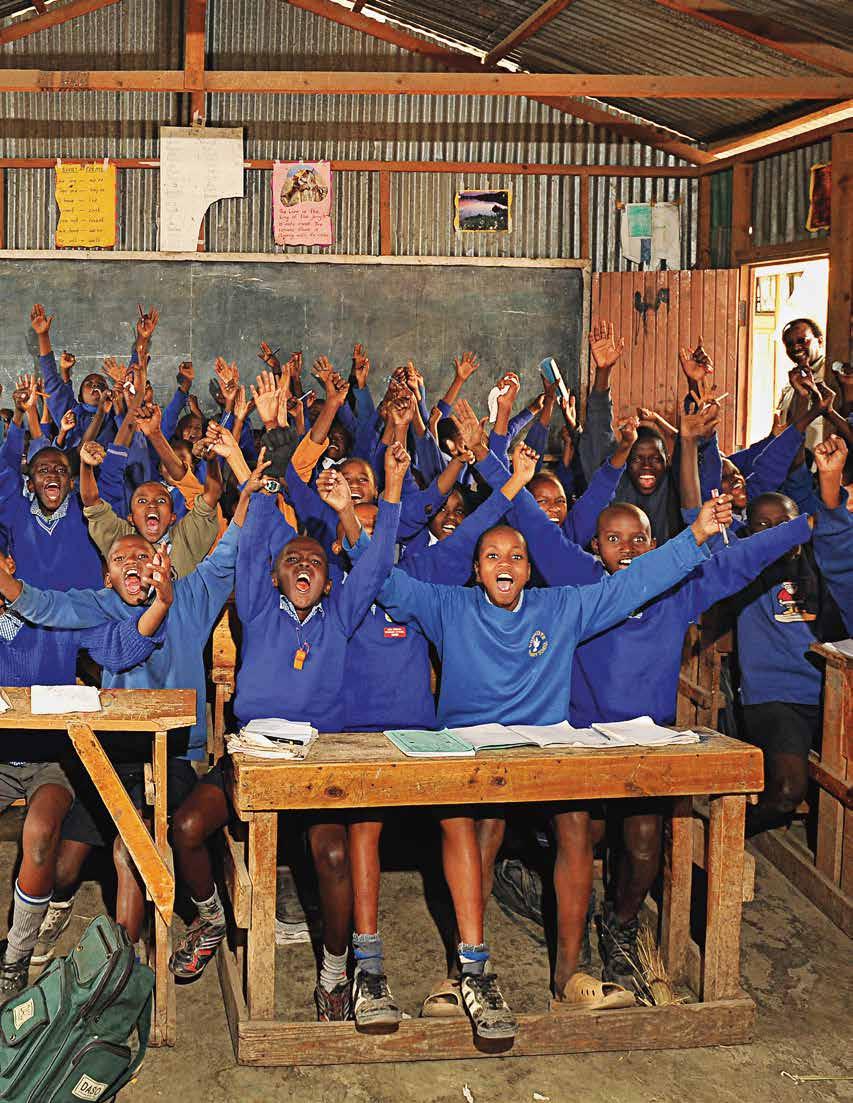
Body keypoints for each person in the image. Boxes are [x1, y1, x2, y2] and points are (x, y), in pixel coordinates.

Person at [358, 433, 732, 1020]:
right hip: (477, 756)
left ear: (530, 570)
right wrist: (366, 510)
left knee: (576, 829)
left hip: (546, 752)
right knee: (478, 831)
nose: (504, 564)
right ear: (475, 570)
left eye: (516, 557)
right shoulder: (446, 606)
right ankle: (463, 972)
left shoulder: (560, 608)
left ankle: (568, 975)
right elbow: (381, 578)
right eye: (492, 556)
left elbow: (632, 584)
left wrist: (697, 535)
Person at [166, 443, 407, 1024]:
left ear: (328, 581)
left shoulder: (340, 617)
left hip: (316, 762)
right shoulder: (257, 608)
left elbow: (375, 565)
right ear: (276, 576)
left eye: (316, 562)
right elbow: (253, 545)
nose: (303, 565)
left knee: (332, 855)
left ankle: (334, 974)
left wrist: (381, 494)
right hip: (253, 755)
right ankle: (210, 918)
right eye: (292, 560)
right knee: (187, 827)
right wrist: (249, 487)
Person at [0, 454, 262, 950]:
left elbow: (229, 552)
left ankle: (124, 970)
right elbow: (47, 605)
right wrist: (6, 582)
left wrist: (244, 496)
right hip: (111, 756)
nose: (133, 565)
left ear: (162, 563)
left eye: (143, 557)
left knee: (128, 850)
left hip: (173, 753)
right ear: (108, 577)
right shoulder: (98, 608)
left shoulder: (190, 595)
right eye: (120, 560)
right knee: (63, 868)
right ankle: (54, 913)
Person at [0, 550, 168, 999]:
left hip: (51, 762)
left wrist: (159, 606)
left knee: (40, 833)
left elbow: (121, 647)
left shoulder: (53, 614)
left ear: (10, 564)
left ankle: (17, 953)